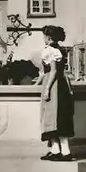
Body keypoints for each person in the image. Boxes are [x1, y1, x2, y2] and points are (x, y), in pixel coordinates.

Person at [34, 25, 74, 161]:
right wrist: (37, 84)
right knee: (52, 117)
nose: (43, 39)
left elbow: (53, 71)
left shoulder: (51, 51)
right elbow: (44, 72)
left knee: (56, 116)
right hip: (56, 83)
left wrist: (47, 88)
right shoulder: (56, 49)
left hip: (55, 85)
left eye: (44, 36)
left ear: (48, 37)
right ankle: (56, 150)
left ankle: (65, 152)